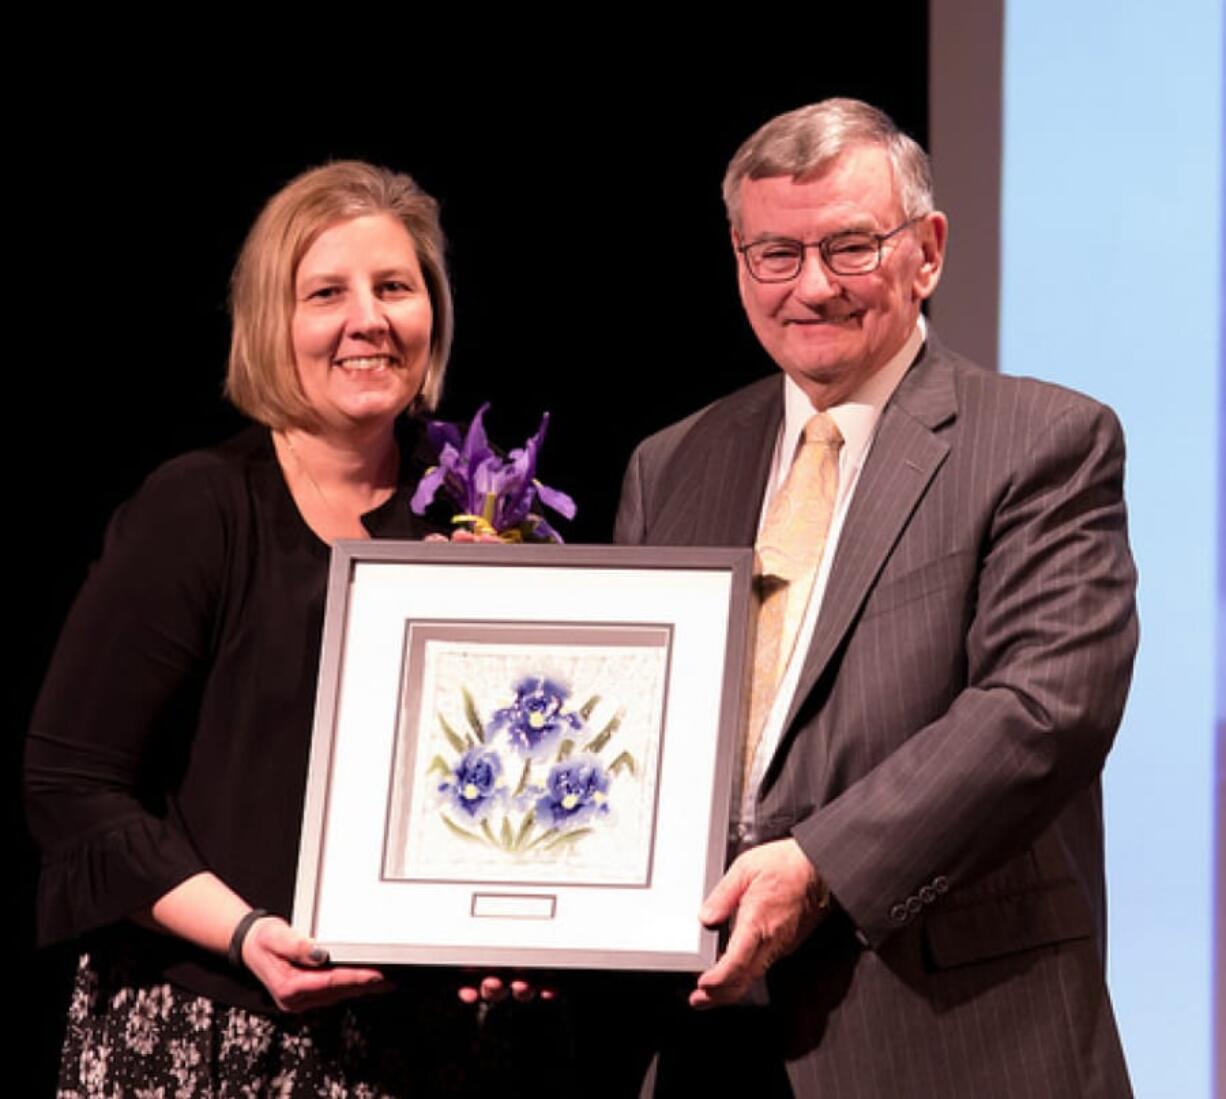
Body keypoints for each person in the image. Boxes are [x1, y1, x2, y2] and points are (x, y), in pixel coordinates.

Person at [615, 99, 1137, 1098]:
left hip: (950, 1038)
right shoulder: (670, 463)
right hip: (699, 1034)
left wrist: (814, 866)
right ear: (736, 260)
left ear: (926, 251)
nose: (810, 287)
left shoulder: (1042, 441)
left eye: (849, 246)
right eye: (774, 253)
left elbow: (1040, 710)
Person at [26, 161, 552, 1096]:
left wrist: (521, 924)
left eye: (395, 287)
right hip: (214, 1031)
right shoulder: (199, 509)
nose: (369, 319)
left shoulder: (483, 510)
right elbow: (73, 784)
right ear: (273, 322)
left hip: (434, 1051)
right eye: (326, 293)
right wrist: (244, 932)